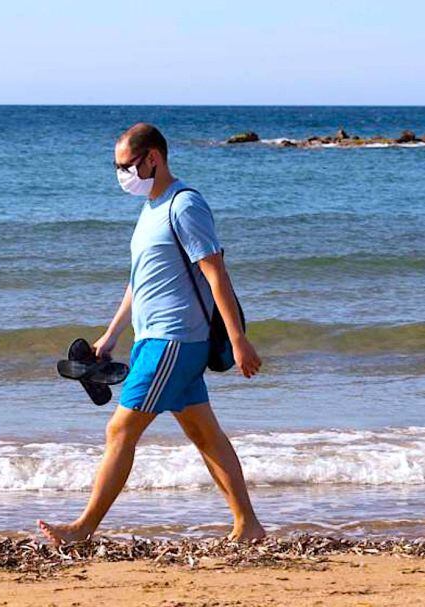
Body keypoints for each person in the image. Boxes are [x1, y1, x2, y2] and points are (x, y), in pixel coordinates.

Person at [38, 123, 265, 545]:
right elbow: (138, 283)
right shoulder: (150, 210)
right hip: (153, 338)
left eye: (126, 166)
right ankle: (248, 525)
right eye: (117, 166)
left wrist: (238, 339)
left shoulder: (185, 205)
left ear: (152, 159)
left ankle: (82, 528)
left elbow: (216, 273)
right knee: (205, 435)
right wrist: (110, 337)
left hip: (174, 340)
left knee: (119, 430)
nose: (121, 175)